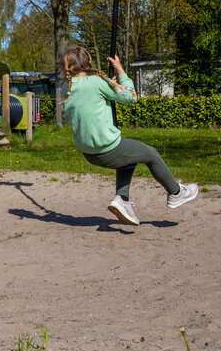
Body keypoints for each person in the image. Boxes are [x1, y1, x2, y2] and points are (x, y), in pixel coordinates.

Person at [61, 46, 197, 226]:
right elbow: (131, 97)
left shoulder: (66, 88)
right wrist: (121, 72)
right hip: (108, 148)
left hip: (89, 153)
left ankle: (122, 200)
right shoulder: (97, 82)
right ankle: (176, 193)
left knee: (129, 160)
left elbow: (83, 108)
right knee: (151, 154)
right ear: (88, 63)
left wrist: (110, 87)